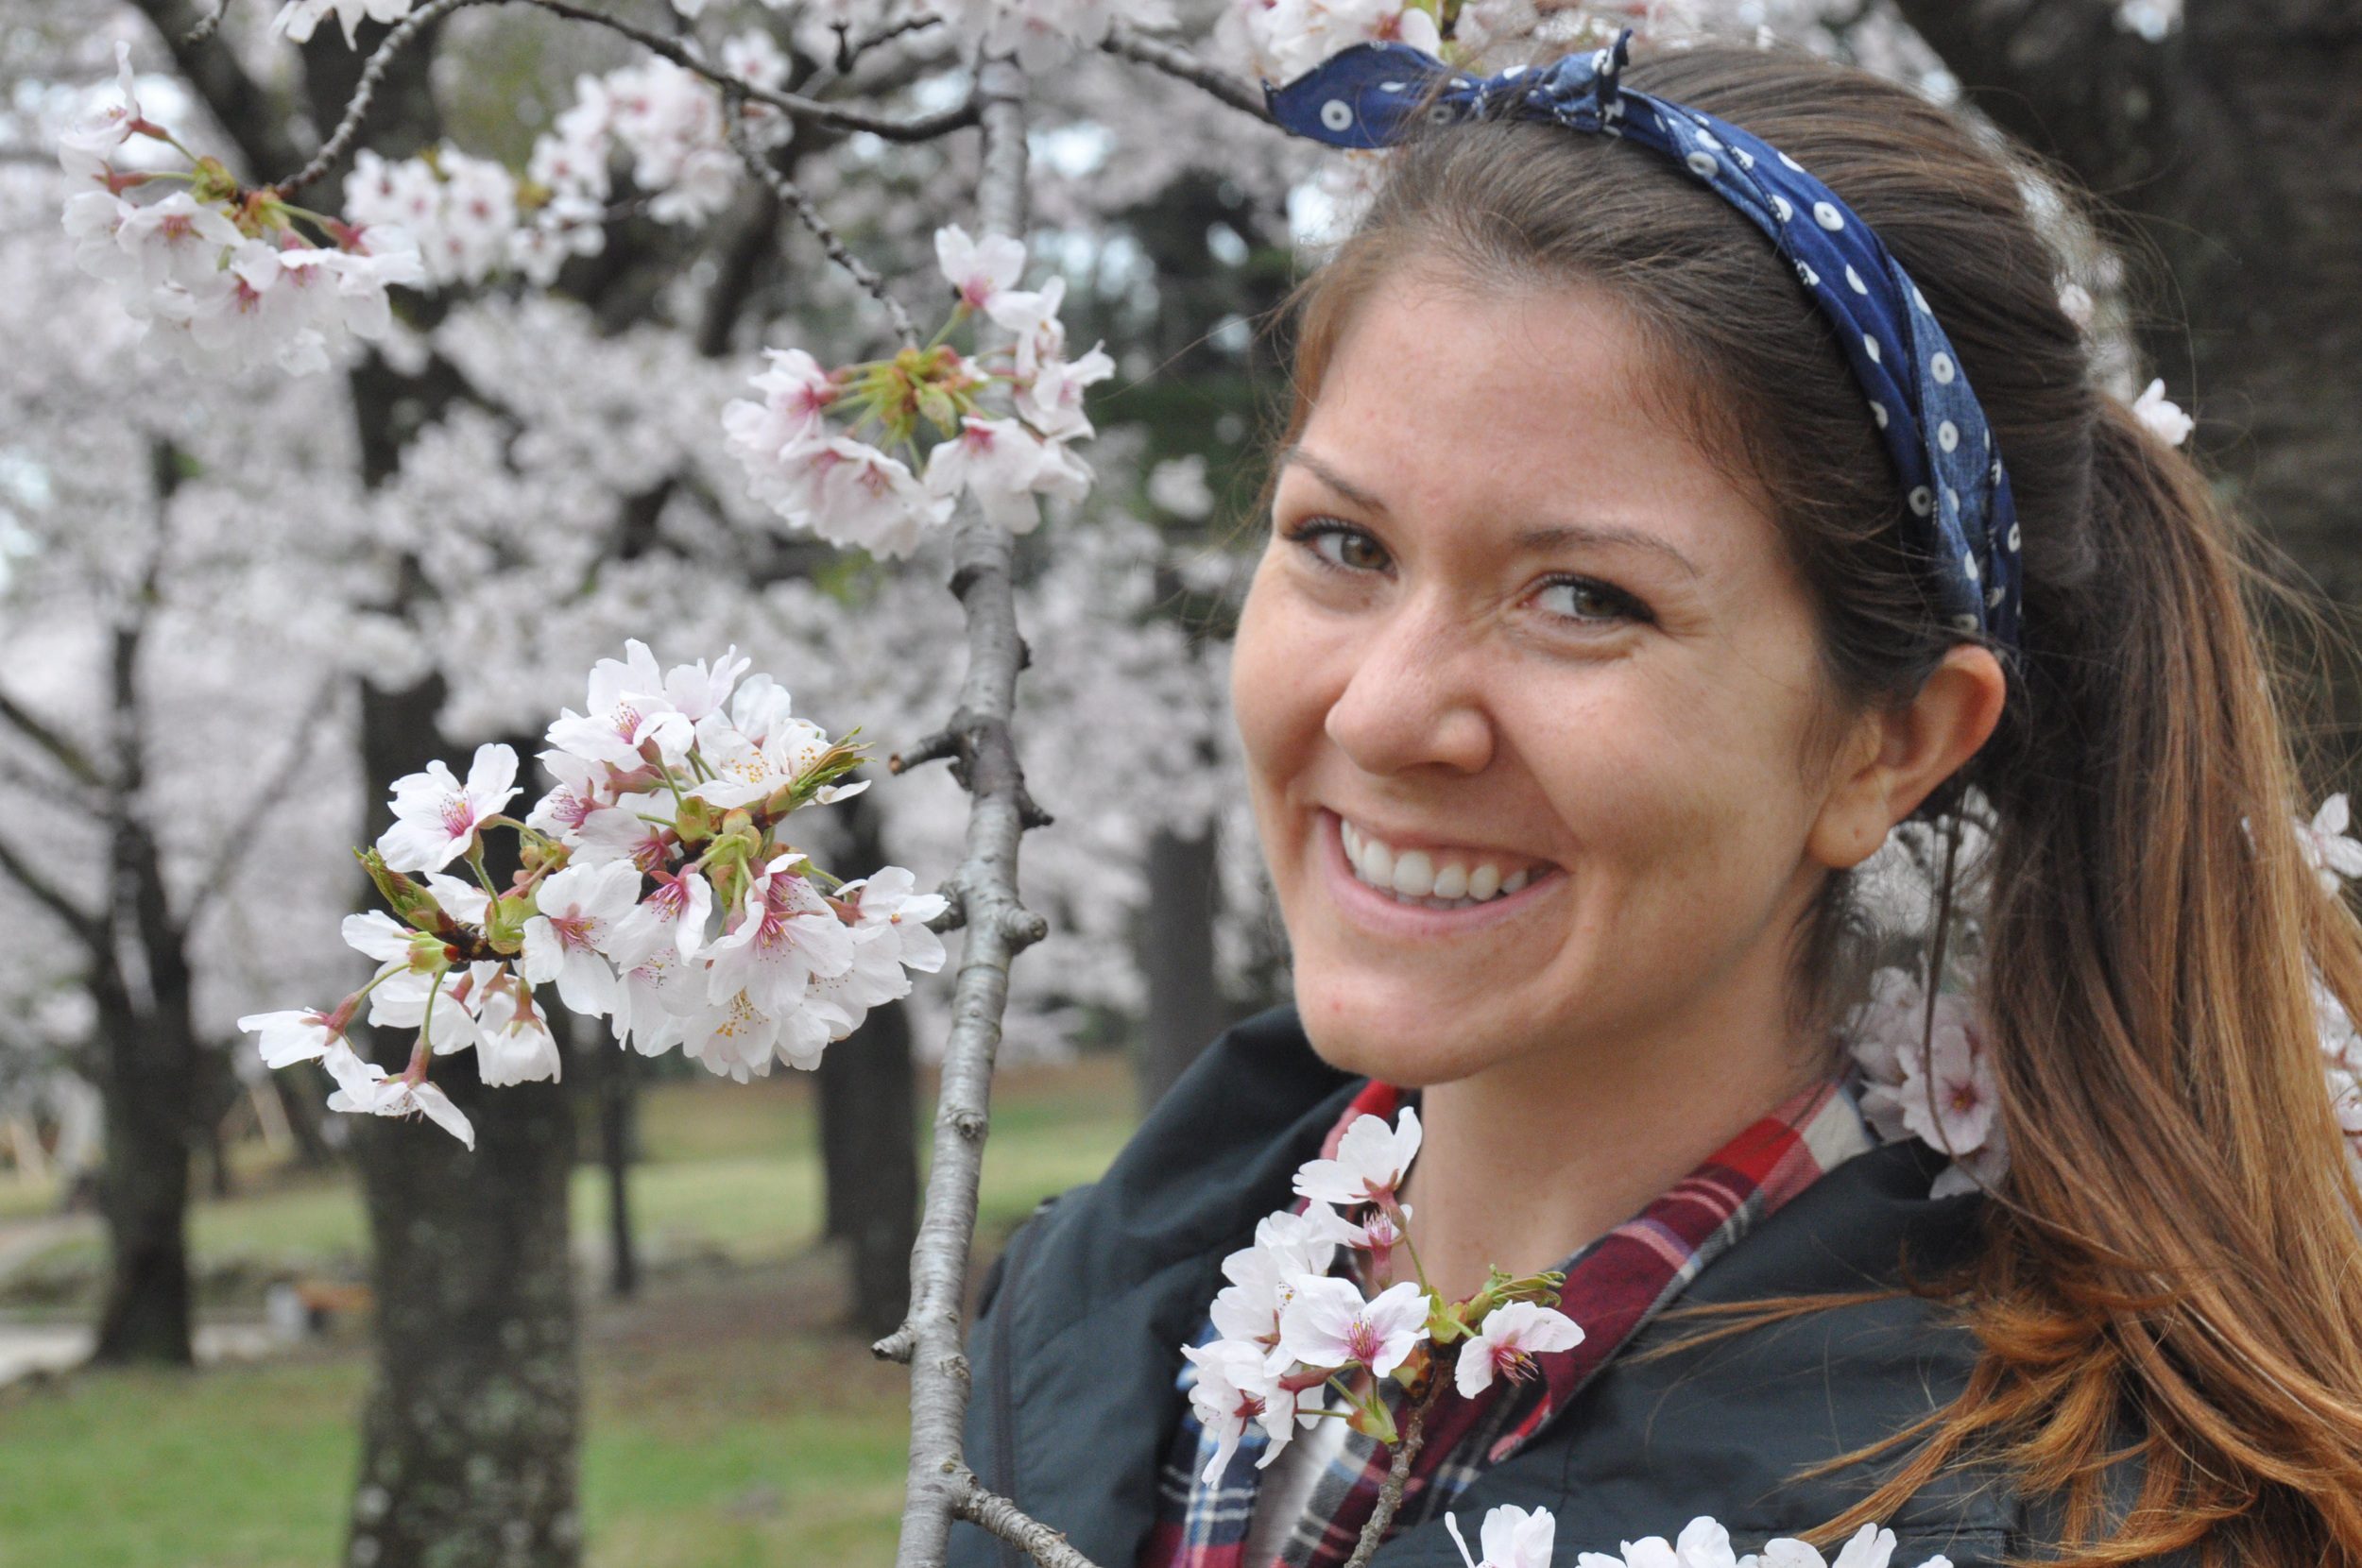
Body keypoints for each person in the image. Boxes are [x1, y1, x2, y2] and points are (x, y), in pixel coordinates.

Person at [950, 34, 2362, 1568]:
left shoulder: (2032, 1521)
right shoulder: (1094, 1306)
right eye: (1344, 545)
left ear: (1890, 744)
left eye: (1583, 597)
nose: (1384, 710)